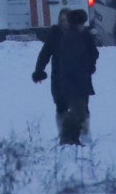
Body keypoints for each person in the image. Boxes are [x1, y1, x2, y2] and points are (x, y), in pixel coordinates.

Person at [32, 9, 99, 146]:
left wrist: (89, 65)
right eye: (62, 20)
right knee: (61, 106)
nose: (64, 22)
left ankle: (83, 132)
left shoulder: (82, 34)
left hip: (79, 77)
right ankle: (64, 133)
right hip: (59, 76)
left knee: (82, 106)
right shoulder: (56, 34)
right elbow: (45, 54)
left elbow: (92, 52)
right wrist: (39, 70)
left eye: (66, 19)